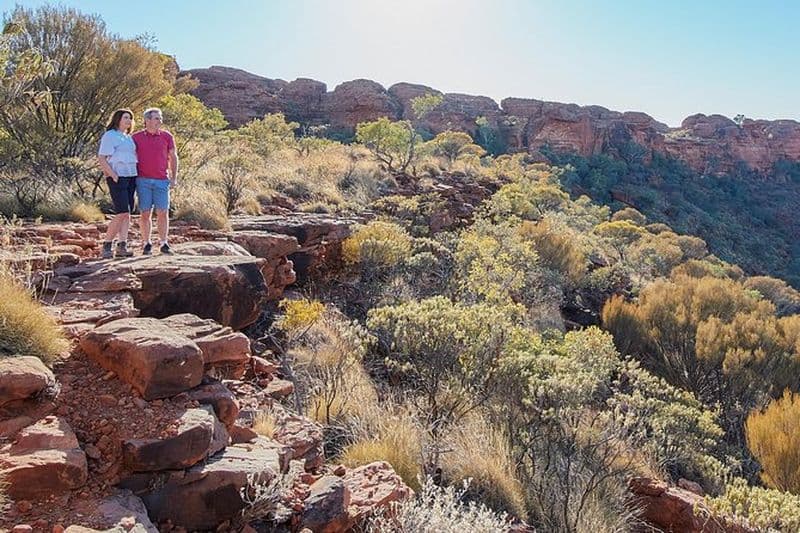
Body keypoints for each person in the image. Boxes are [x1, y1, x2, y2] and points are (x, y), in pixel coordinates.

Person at [133, 107, 178, 255]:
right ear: (147, 120)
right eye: (157, 118)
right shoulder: (136, 137)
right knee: (145, 213)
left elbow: (173, 157)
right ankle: (146, 243)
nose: (160, 121)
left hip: (161, 180)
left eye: (160, 118)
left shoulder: (167, 136)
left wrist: (174, 177)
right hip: (142, 180)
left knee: (163, 212)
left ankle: (164, 243)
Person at [97, 108, 138, 259]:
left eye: (130, 118)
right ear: (118, 119)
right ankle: (107, 245)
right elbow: (102, 158)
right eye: (125, 117)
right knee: (121, 212)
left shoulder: (128, 137)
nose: (129, 121)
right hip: (118, 177)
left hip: (131, 176)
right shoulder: (110, 135)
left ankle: (122, 245)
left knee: (127, 213)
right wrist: (113, 175)